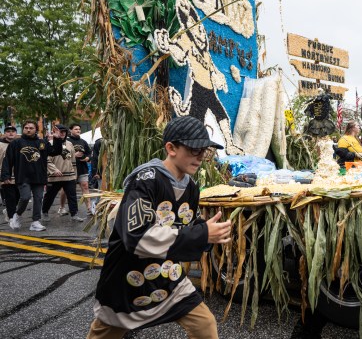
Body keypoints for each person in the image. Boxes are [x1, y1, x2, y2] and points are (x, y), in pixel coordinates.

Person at [88, 116, 232, 339]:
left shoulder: (191, 188)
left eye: (204, 150)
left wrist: (208, 232)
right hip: (127, 280)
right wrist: (202, 234)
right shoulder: (146, 180)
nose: (201, 156)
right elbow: (136, 236)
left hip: (168, 277)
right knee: (105, 334)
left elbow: (186, 225)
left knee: (205, 326)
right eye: (195, 149)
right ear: (171, 148)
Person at [1, 120, 65, 231]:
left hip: (39, 176)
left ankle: (35, 222)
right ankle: (17, 215)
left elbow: (55, 151)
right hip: (22, 176)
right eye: (26, 128)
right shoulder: (16, 143)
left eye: (31, 128)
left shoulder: (42, 142)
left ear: (36, 129)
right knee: (25, 197)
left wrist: (57, 139)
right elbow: (8, 160)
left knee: (38, 198)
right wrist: (5, 176)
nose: (28, 129)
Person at [41, 124, 84, 223]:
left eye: (64, 132)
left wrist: (75, 174)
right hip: (54, 176)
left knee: (72, 196)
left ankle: (74, 214)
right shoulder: (50, 143)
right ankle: (45, 212)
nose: (62, 133)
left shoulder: (69, 144)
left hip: (69, 176)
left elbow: (73, 160)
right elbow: (46, 160)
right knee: (50, 196)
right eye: (60, 131)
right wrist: (53, 169)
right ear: (56, 132)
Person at [67, 124, 94, 215]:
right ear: (70, 130)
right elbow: (61, 155)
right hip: (70, 169)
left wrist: (87, 158)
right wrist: (73, 156)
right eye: (76, 129)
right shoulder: (66, 141)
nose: (78, 130)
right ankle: (62, 207)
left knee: (85, 186)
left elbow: (89, 153)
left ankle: (89, 208)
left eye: (79, 129)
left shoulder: (83, 141)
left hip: (82, 168)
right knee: (68, 190)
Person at [0, 125, 18, 223]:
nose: (10, 133)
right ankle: (12, 218)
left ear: (16, 133)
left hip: (18, 175)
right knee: (10, 197)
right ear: (4, 133)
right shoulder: (0, 144)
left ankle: (8, 210)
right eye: (8, 131)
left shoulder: (19, 144)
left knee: (19, 196)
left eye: (13, 131)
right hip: (5, 175)